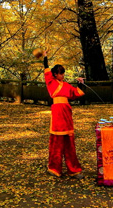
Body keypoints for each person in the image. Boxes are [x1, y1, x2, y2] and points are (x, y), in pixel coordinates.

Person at [42, 50, 86, 179]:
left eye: (63, 73)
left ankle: (74, 170)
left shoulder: (66, 85)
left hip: (66, 113)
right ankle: (54, 168)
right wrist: (45, 57)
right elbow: (46, 69)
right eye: (61, 73)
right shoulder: (51, 82)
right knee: (56, 142)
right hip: (57, 113)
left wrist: (80, 83)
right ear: (55, 74)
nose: (63, 75)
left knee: (69, 142)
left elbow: (76, 93)